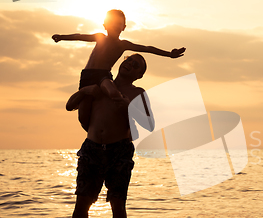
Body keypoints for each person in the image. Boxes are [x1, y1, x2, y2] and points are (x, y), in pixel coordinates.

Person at [53, 9, 185, 129]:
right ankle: (96, 133)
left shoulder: (122, 45)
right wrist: (61, 37)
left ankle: (125, 117)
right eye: (112, 22)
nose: (115, 25)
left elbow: (147, 48)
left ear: (124, 27)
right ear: (105, 25)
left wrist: (169, 54)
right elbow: (79, 36)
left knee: (112, 92)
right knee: (83, 117)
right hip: (87, 76)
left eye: (118, 23)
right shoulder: (99, 37)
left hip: (102, 76)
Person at [66, 54, 151, 218]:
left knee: (117, 204)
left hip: (120, 150)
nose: (130, 64)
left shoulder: (138, 93)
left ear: (139, 75)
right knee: (82, 202)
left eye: (136, 65)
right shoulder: (100, 85)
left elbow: (149, 124)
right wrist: (85, 91)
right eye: (128, 60)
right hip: (92, 148)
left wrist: (130, 106)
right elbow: (69, 105)